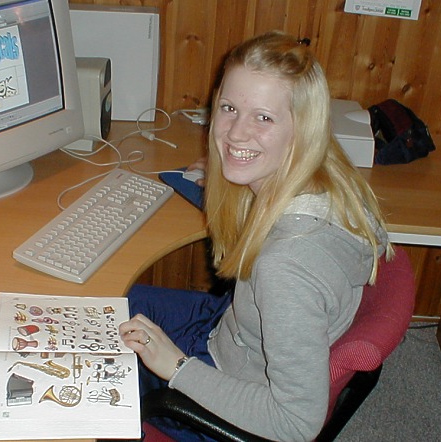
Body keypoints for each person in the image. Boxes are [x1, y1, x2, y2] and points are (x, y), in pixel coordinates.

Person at [119, 30, 391, 442]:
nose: (235, 134)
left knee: (86, 360)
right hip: (232, 335)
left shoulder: (286, 268)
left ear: (303, 129)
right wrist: (232, 169)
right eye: (229, 108)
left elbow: (296, 424)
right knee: (110, 304)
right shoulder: (328, 177)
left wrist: (175, 367)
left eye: (263, 117)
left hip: (230, 394)